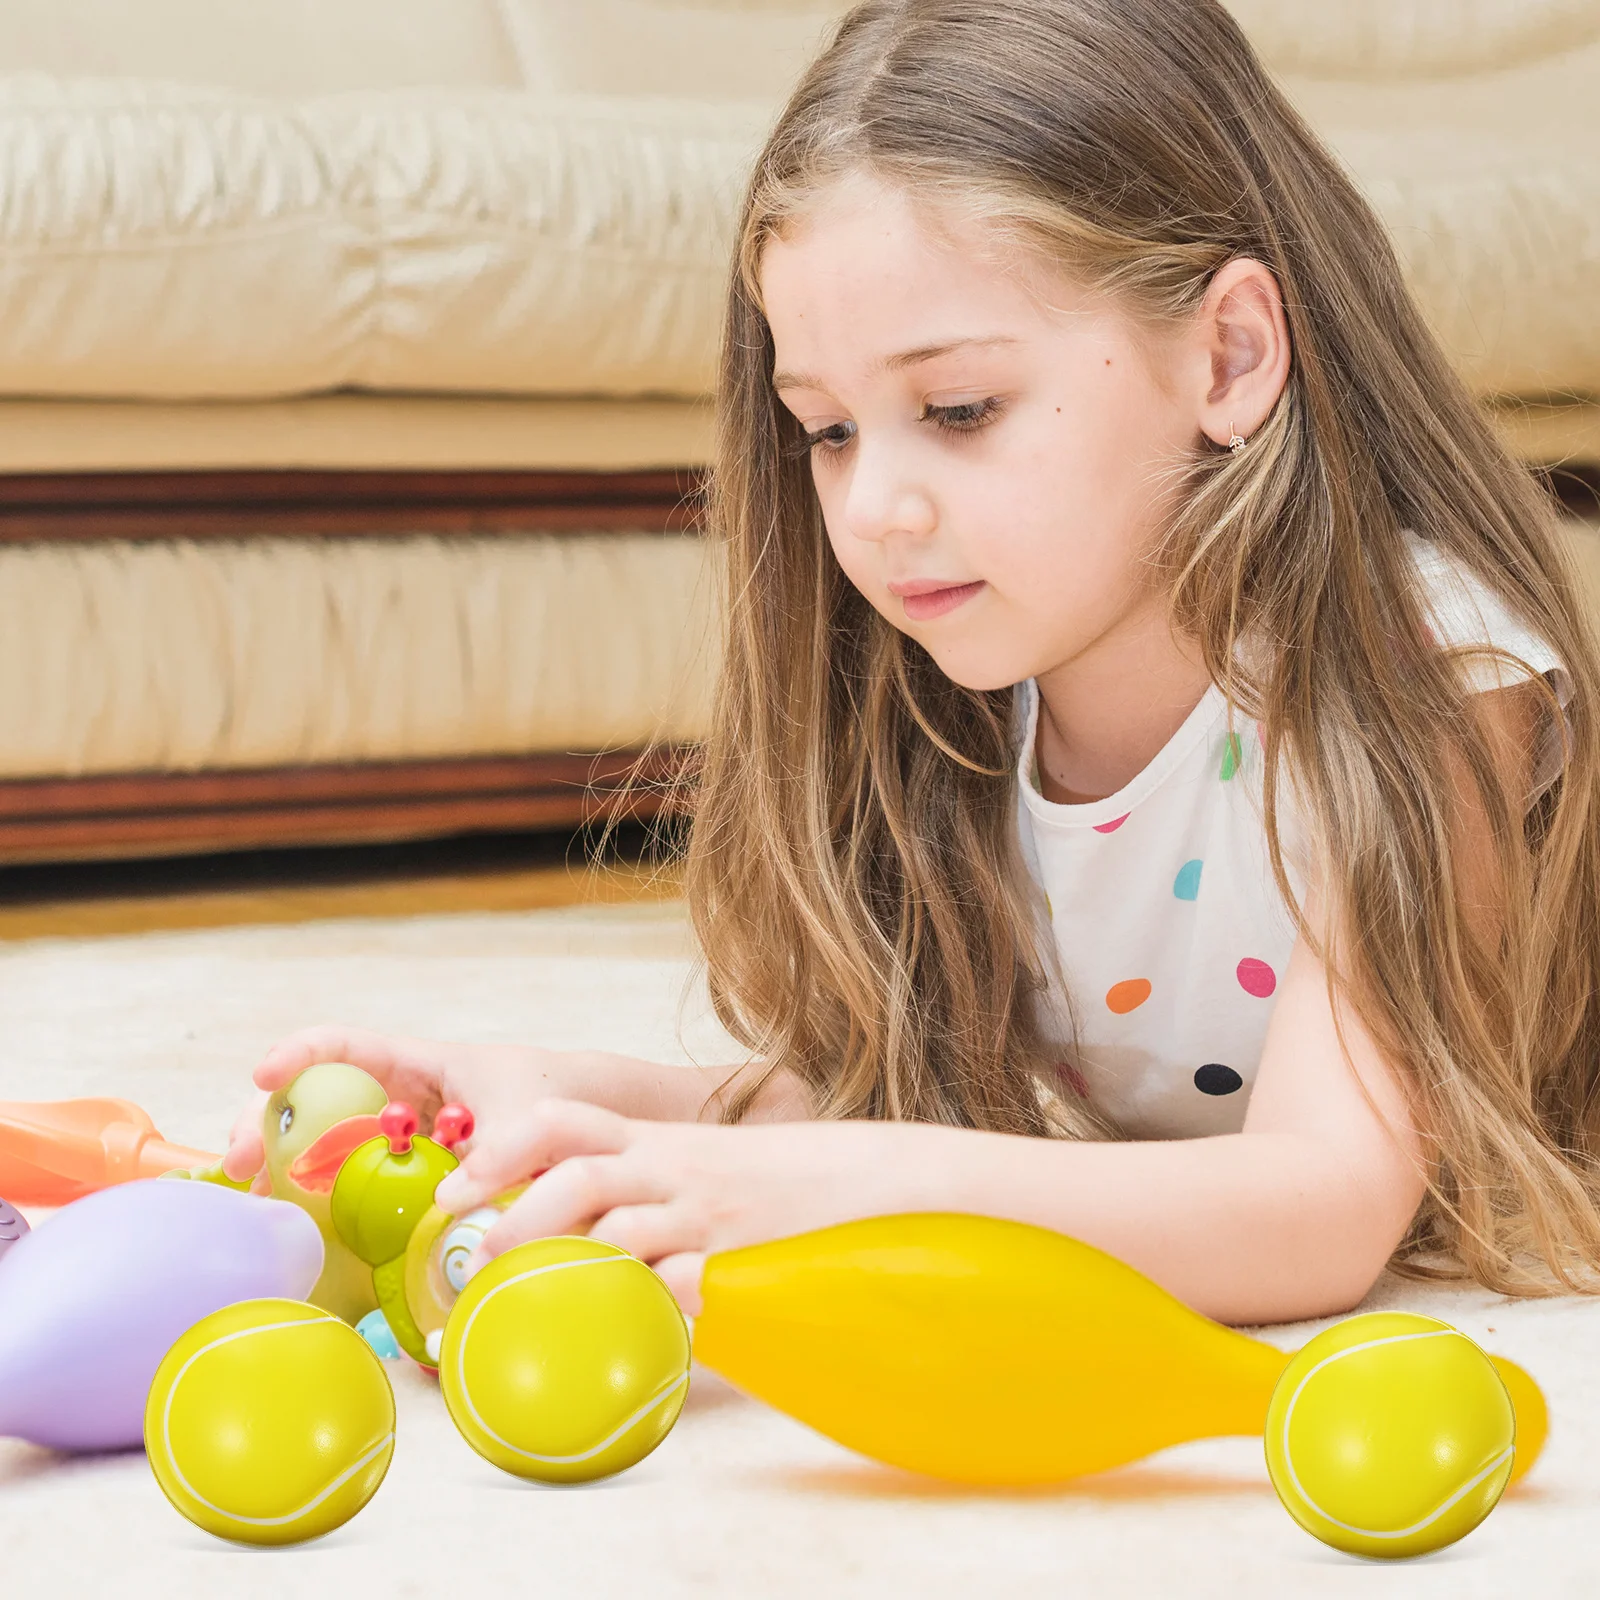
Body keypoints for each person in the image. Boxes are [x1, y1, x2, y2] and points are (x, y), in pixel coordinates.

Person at [222, 0, 1600, 1325]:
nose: (873, 507)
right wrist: (569, 1102)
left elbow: (1316, 1206)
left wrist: (840, 1192)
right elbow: (930, 1115)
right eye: (827, 430)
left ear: (1228, 355)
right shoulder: (961, 687)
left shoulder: (1429, 664)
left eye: (957, 407)